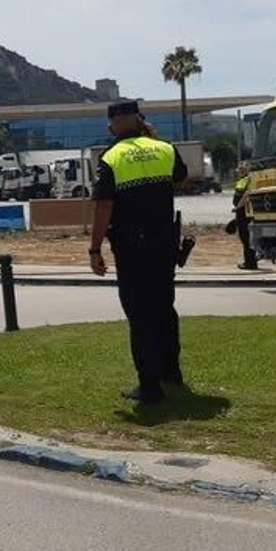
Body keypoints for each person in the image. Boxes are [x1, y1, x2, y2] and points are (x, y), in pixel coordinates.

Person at [88, 100, 188, 405]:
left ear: (114, 124)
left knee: (139, 314)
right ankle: (171, 372)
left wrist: (94, 249)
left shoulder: (111, 156)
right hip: (165, 243)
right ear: (139, 120)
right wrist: (152, 139)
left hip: (132, 247)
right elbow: (180, 177)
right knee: (164, 308)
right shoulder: (165, 148)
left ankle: (149, 386)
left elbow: (104, 206)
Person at [231, 161, 258, 270]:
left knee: (246, 238)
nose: (239, 172)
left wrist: (238, 207)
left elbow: (246, 194)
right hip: (241, 212)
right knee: (245, 238)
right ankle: (249, 261)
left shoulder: (248, 179)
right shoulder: (242, 180)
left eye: (241, 170)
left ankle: (250, 263)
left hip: (245, 212)